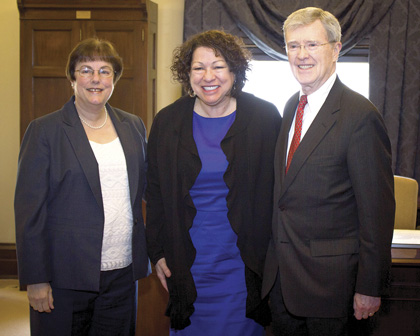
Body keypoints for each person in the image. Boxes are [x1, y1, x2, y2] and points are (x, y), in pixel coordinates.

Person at [262, 7, 395, 336]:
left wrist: (370, 286)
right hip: (281, 283)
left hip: (332, 291)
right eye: (293, 46)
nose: (301, 55)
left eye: (312, 45)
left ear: (336, 49)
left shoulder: (360, 116)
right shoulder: (292, 104)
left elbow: (376, 213)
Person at [146, 30, 282, 335]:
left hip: (243, 262)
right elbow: (154, 194)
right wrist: (157, 253)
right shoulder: (167, 122)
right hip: (187, 260)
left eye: (218, 66)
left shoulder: (265, 117)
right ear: (187, 74)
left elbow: (280, 193)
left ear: (234, 71)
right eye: (198, 67)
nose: (209, 76)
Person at [14, 38, 149, 336]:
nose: (96, 79)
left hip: (122, 273)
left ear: (114, 78)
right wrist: (36, 279)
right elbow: (29, 212)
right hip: (65, 276)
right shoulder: (44, 131)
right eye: (86, 70)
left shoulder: (134, 126)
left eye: (105, 71)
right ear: (72, 77)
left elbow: (147, 190)